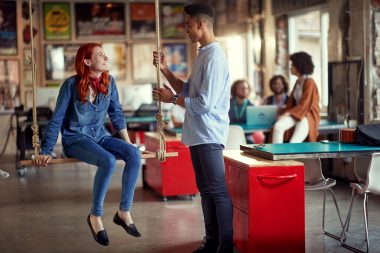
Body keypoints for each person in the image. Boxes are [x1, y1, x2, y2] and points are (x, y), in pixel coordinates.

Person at [32, 43, 142, 246]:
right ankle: (95, 217)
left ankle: (123, 212)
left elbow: (116, 114)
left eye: (105, 54)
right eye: (101, 55)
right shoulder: (70, 85)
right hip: (76, 139)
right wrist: (46, 149)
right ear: (87, 61)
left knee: (134, 155)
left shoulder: (109, 82)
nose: (106, 58)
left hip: (101, 136)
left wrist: (128, 146)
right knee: (108, 161)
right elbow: (57, 118)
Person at [152, 3, 233, 253]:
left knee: (217, 190)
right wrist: (165, 69)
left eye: (188, 25)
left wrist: (171, 100)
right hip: (197, 133)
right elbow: (188, 90)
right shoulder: (202, 53)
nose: (186, 29)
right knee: (205, 190)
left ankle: (225, 245)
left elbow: (205, 103)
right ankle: (211, 241)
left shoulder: (216, 57)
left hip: (209, 133)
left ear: (201, 24)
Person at [272, 51, 320, 143]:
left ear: (299, 66)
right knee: (278, 127)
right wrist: (284, 111)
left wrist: (286, 114)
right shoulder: (298, 83)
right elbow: (292, 103)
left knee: (294, 142)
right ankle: (276, 154)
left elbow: (305, 104)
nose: (290, 67)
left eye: (292, 65)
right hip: (297, 114)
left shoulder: (310, 82)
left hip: (307, 115)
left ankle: (287, 156)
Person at [228, 79, 256, 144]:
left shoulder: (251, 106)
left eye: (246, 88)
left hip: (246, 135)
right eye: (241, 88)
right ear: (235, 89)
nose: (244, 90)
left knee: (250, 143)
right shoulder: (227, 104)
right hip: (229, 133)